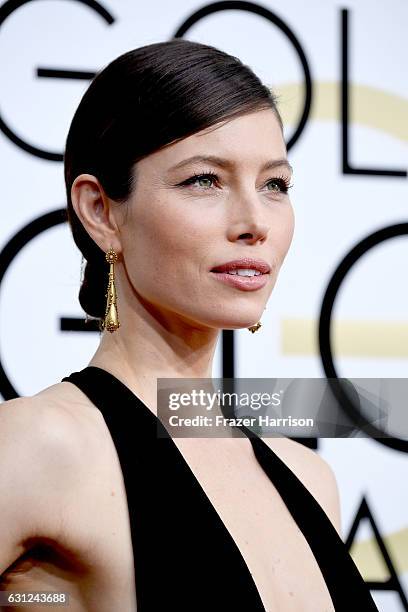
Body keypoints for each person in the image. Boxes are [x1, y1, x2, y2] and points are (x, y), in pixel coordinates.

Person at [0, 40, 378, 611]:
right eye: (205, 180)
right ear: (102, 211)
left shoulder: (311, 479)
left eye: (274, 184)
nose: (254, 222)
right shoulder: (35, 445)